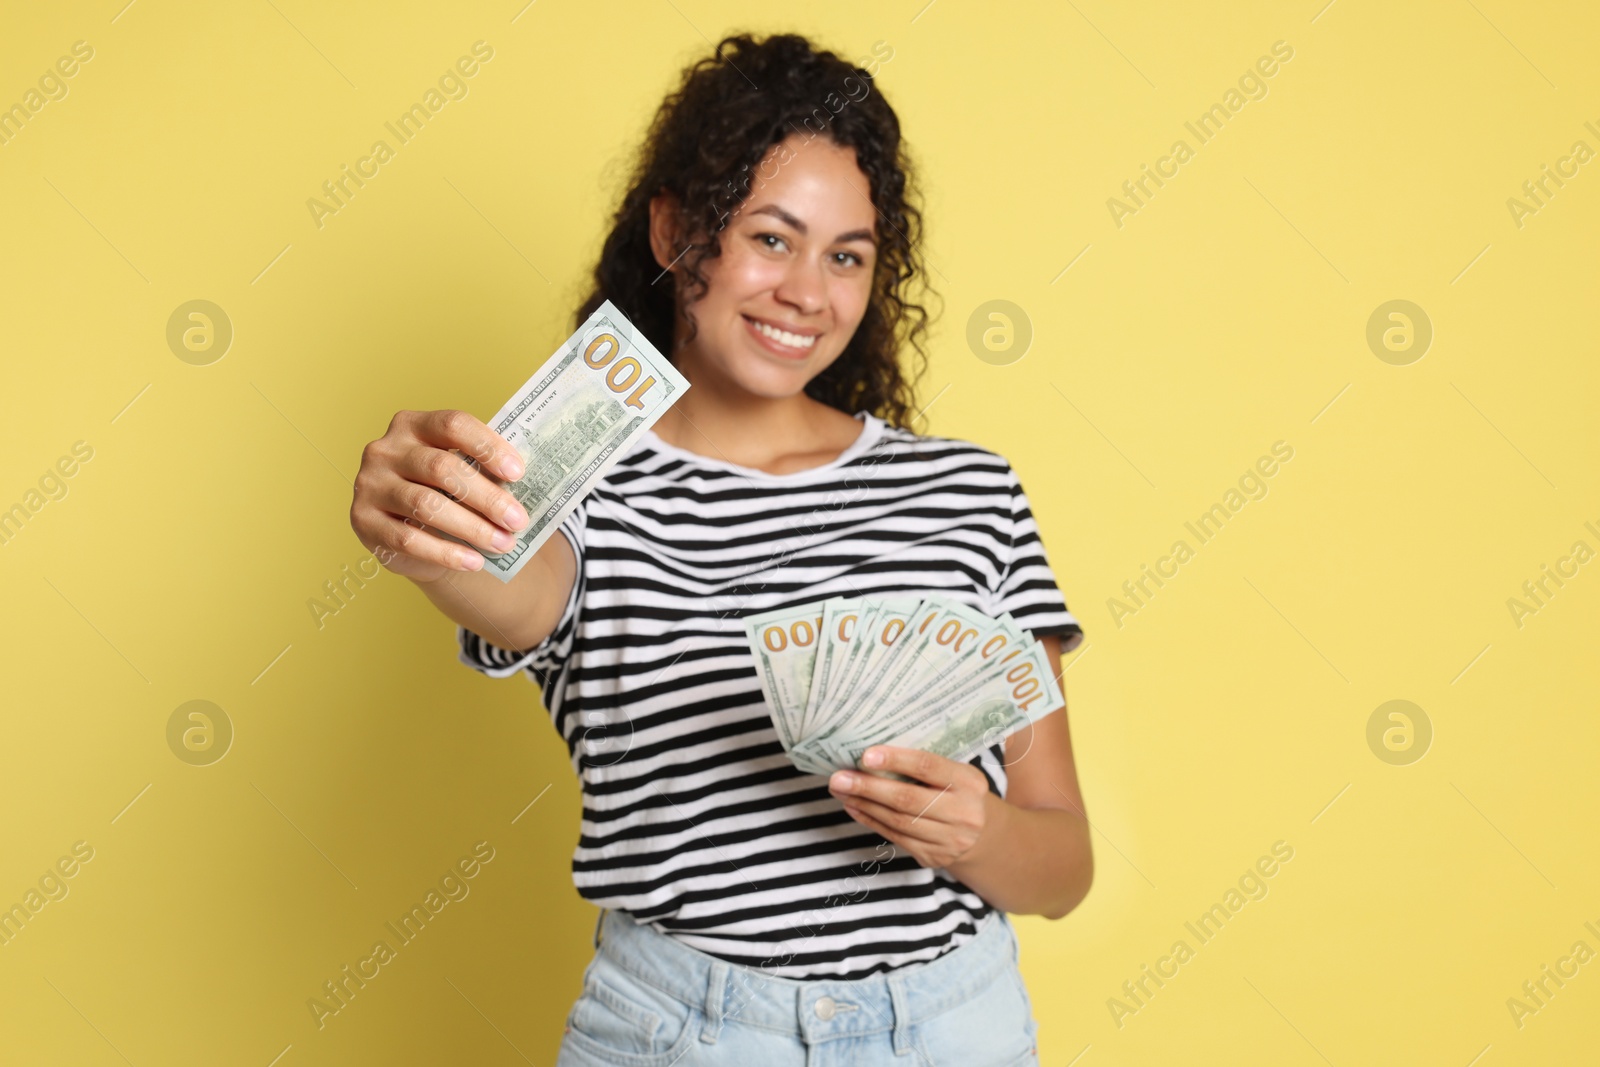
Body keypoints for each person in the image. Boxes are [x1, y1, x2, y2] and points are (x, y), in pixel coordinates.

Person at [350, 31, 1092, 1066]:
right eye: (770, 238)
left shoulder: (967, 492)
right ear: (673, 229)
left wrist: (978, 832)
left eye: (847, 255)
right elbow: (508, 583)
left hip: (952, 1026)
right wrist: (429, 530)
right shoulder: (582, 490)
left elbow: (1063, 861)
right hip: (683, 1031)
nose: (807, 291)